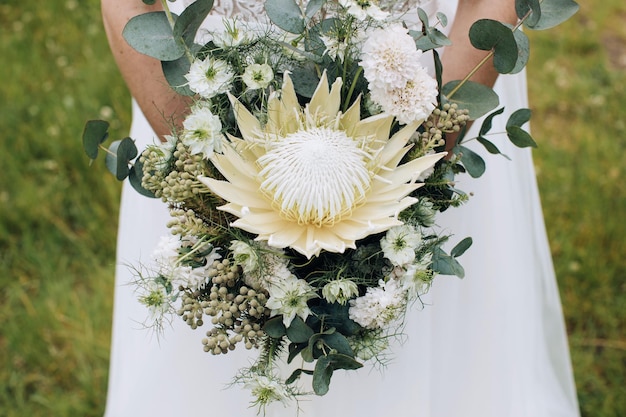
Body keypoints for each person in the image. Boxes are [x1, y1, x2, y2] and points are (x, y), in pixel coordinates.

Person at [101, 0, 581, 416]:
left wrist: (417, 163)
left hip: (418, 89)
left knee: (412, 328)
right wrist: (216, 181)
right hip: (202, 95)